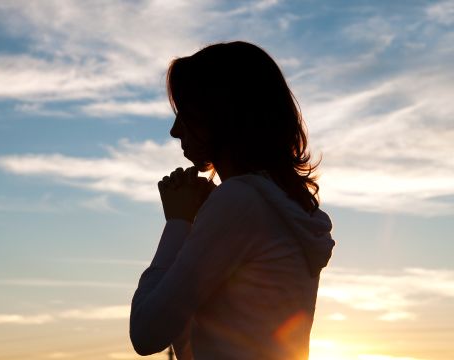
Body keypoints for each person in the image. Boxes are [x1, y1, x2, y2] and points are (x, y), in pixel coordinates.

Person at [129, 41, 335, 359]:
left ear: (221, 113)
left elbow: (147, 331)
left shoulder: (239, 201)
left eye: (186, 113)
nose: (174, 130)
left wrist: (178, 221)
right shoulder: (283, 202)